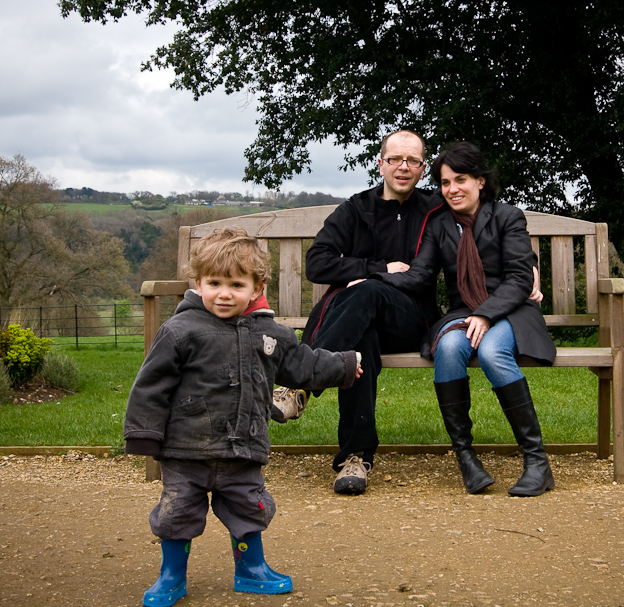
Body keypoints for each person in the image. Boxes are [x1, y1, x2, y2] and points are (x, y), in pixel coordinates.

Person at [124, 228, 362, 606]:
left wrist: (344, 366)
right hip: (186, 448)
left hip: (243, 447)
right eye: (213, 283)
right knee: (176, 512)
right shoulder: (180, 331)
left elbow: (303, 366)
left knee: (249, 508)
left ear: (256, 288)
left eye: (236, 284)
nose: (223, 293)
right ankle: (172, 574)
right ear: (198, 283)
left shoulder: (270, 333)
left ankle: (251, 569)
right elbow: (151, 385)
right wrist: (144, 434)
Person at [374, 142, 556, 497]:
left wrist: (486, 314)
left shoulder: (507, 217)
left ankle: (537, 462)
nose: (453, 189)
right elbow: (421, 273)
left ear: (480, 182)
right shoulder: (439, 225)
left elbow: (520, 277)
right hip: (464, 313)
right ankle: (467, 460)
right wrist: (373, 277)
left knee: (491, 353)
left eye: (461, 180)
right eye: (445, 183)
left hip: (512, 309)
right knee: (449, 346)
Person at [296, 129, 444, 495]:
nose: (403, 167)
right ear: (381, 164)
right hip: (358, 323)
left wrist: (529, 265)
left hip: (411, 319)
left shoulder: (435, 208)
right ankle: (354, 458)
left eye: (413, 160)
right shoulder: (357, 208)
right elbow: (316, 263)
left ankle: (300, 378)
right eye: (395, 159)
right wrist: (374, 269)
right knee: (360, 340)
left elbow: (487, 221)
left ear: (423, 169)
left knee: (370, 291)